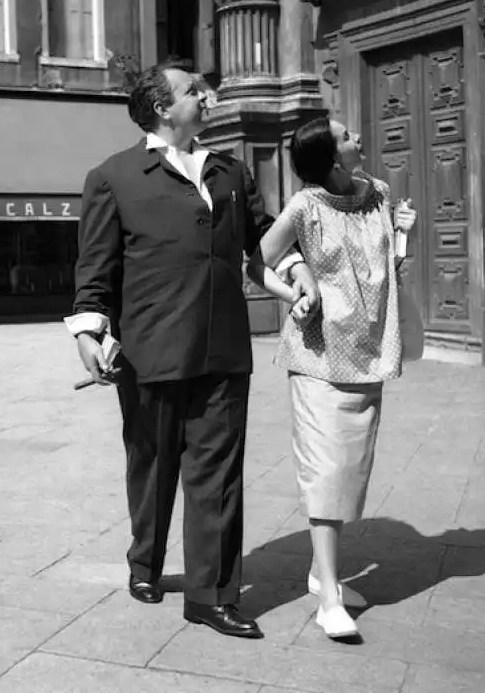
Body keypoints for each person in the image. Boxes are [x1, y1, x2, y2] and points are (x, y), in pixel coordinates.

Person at [64, 62, 320, 640]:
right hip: (150, 349)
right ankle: (146, 561)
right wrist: (89, 331)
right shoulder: (114, 176)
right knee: (152, 466)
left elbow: (264, 237)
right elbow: (96, 266)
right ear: (161, 107)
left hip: (224, 348)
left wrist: (296, 265)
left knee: (219, 474)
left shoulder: (230, 172)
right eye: (192, 91)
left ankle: (210, 596)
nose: (206, 97)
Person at [246, 116, 416, 640]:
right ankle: (330, 598)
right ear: (329, 156)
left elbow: (385, 265)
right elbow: (257, 263)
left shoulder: (378, 193)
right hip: (318, 354)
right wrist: (294, 293)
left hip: (368, 351)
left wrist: (403, 234)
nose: (357, 139)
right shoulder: (304, 206)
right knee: (326, 470)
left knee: (351, 468)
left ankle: (322, 576)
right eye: (346, 137)